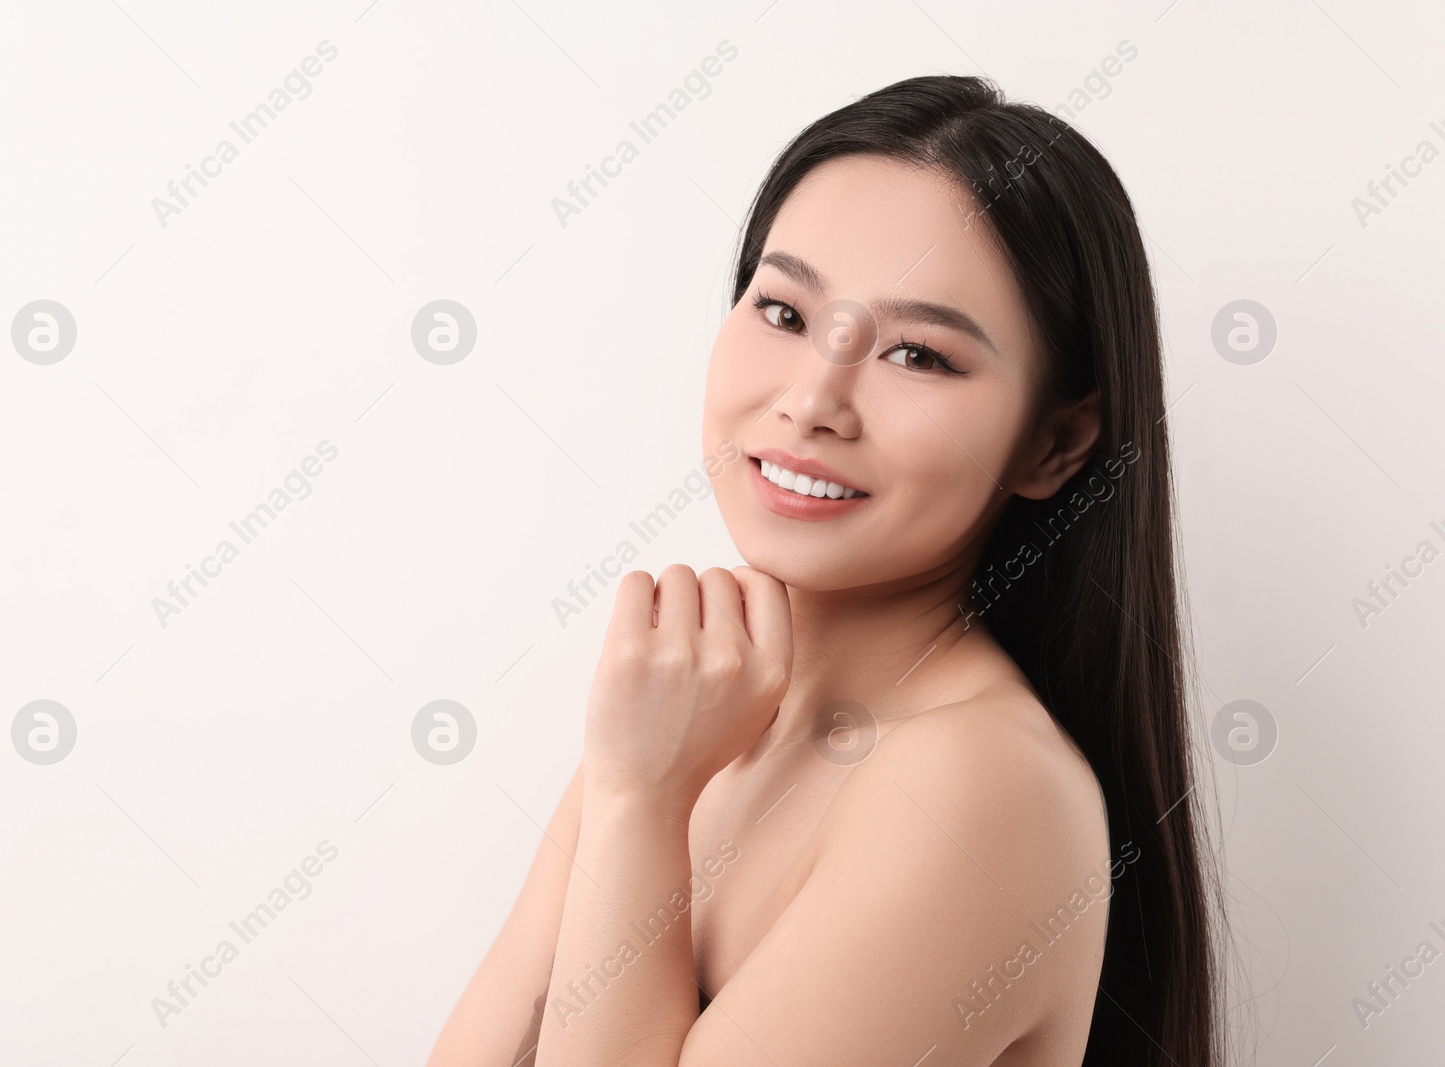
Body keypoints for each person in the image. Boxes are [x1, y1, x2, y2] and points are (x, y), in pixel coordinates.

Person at [428, 73, 1225, 1066]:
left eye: (918, 355)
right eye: (785, 311)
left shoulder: (981, 783)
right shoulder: (684, 709)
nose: (812, 401)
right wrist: (639, 782)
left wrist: (638, 804)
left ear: (1054, 444)